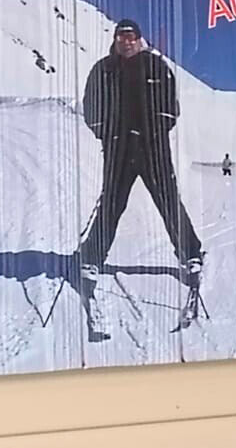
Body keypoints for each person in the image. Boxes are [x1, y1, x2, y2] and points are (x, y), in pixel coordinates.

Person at [78, 19, 202, 338]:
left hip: (152, 148)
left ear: (139, 39)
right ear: (115, 40)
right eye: (121, 36)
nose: (126, 41)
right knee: (112, 204)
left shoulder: (156, 66)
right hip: (119, 148)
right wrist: (106, 132)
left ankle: (190, 255)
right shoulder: (103, 69)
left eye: (131, 36)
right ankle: (91, 259)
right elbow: (90, 105)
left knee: (168, 201)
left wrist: (156, 129)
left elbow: (171, 107)